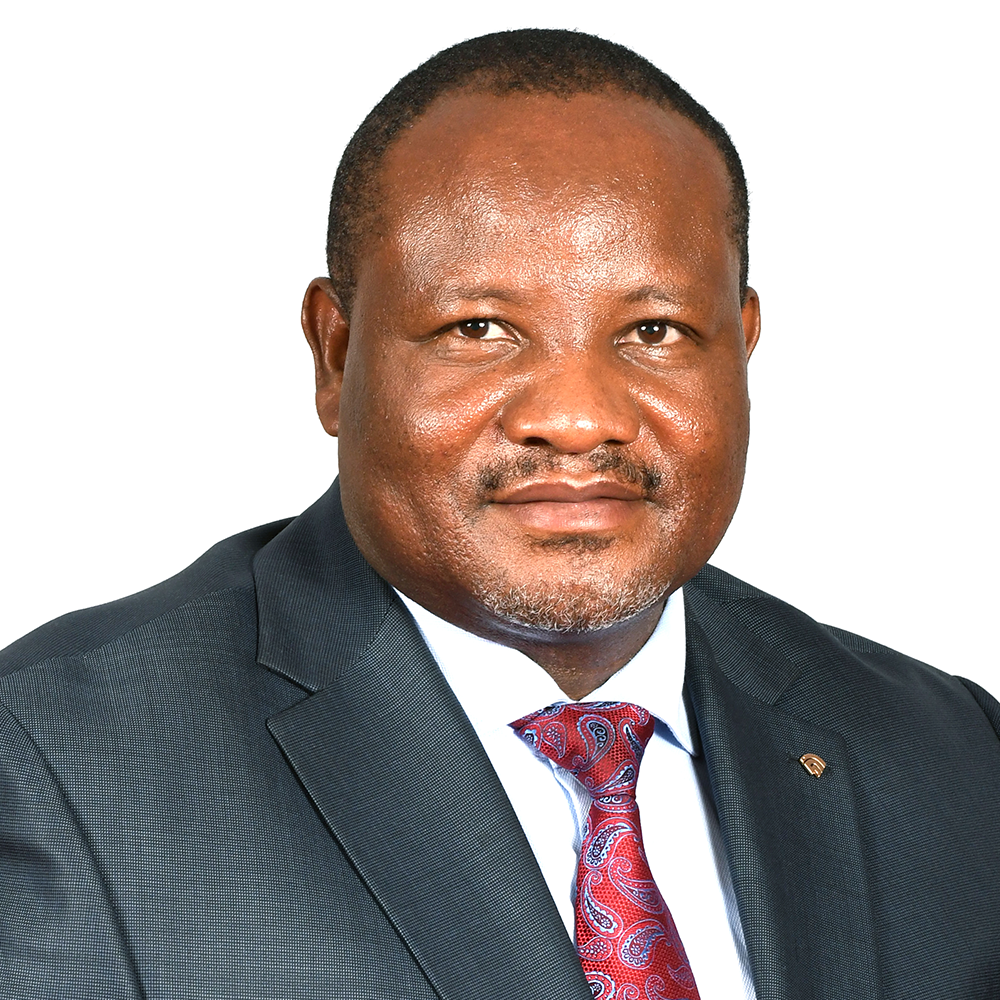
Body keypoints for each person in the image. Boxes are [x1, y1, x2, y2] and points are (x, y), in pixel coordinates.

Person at [1, 27, 997, 1000]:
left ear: (740, 348)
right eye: (477, 327)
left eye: (654, 330)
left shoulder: (952, 757)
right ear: (336, 354)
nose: (577, 417)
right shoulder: (53, 767)